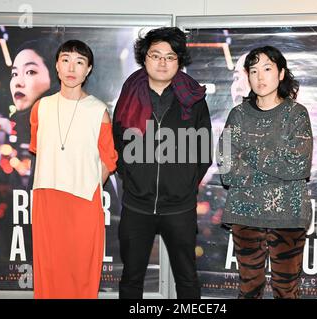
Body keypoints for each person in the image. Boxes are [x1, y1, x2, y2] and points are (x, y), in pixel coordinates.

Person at [112, 27, 212, 299]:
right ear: (145, 58)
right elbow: (118, 143)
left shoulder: (193, 98)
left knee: (187, 278)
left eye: (170, 57)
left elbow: (203, 151)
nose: (162, 62)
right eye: (156, 55)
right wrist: (132, 176)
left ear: (179, 61)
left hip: (179, 206)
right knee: (131, 278)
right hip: (137, 205)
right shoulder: (129, 94)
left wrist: (185, 182)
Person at [218, 45, 313, 299]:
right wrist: (275, 165)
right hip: (244, 216)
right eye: (253, 70)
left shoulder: (297, 114)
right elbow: (227, 170)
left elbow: (298, 165)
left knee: (286, 291)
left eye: (267, 69)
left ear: (281, 73)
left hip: (289, 217)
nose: (260, 77)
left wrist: (249, 152)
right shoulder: (236, 115)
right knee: (249, 289)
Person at [29, 39, 118, 298]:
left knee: (81, 271)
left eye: (79, 62)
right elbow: (38, 148)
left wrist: (90, 186)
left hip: (84, 201)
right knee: (48, 270)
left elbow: (108, 160)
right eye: (65, 59)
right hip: (47, 197)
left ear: (88, 69)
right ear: (56, 66)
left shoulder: (98, 110)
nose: (71, 67)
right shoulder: (41, 107)